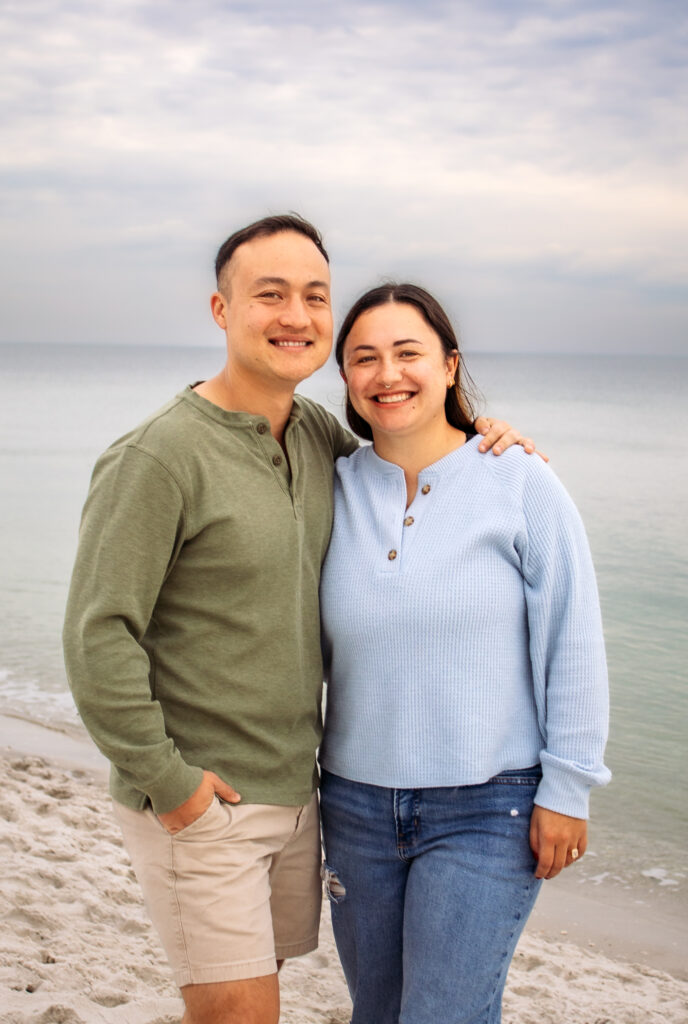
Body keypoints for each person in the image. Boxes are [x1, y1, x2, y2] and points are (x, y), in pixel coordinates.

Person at [62, 217, 529, 1024]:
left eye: (315, 296)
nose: (297, 316)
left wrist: (484, 435)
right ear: (221, 308)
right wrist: (169, 785)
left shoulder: (316, 436)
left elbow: (408, 455)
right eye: (269, 294)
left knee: (242, 998)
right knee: (241, 1013)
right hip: (200, 793)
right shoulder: (158, 457)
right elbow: (97, 635)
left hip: (298, 789)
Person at [318, 283, 611, 1024]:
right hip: (353, 805)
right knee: (377, 1013)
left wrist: (568, 787)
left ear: (449, 365)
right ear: (346, 379)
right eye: (364, 358)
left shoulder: (519, 480)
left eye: (408, 353)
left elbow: (571, 638)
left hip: (489, 806)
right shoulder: (331, 486)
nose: (388, 374)